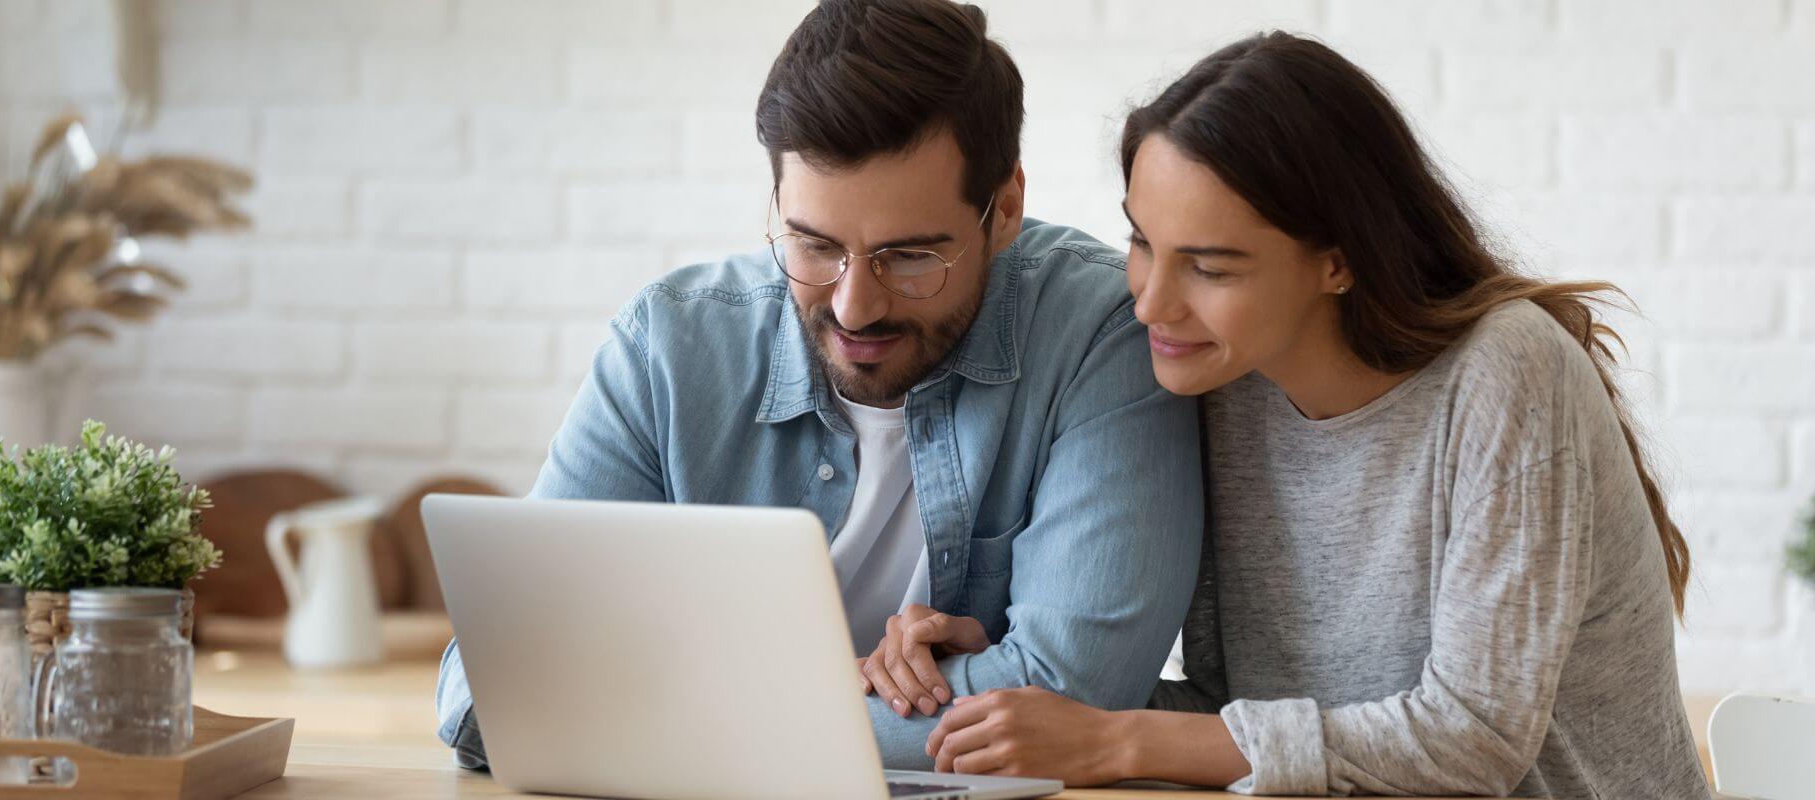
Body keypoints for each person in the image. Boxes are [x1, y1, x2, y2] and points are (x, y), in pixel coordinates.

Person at [917, 32, 1710, 797]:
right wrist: (1022, 698)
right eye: (1143, 242)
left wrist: (1119, 739)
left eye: (1210, 266)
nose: (1150, 300)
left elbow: (1474, 739)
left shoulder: (1507, 371)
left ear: (1337, 260)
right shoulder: (1225, 387)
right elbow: (1251, 727)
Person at [434, 0, 1205, 770]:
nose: (854, 305)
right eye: (813, 244)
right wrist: (819, 698)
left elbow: (1075, 695)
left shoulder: (1101, 335)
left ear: (1002, 210)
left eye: (909, 257)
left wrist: (670, 710)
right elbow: (488, 692)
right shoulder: (667, 349)